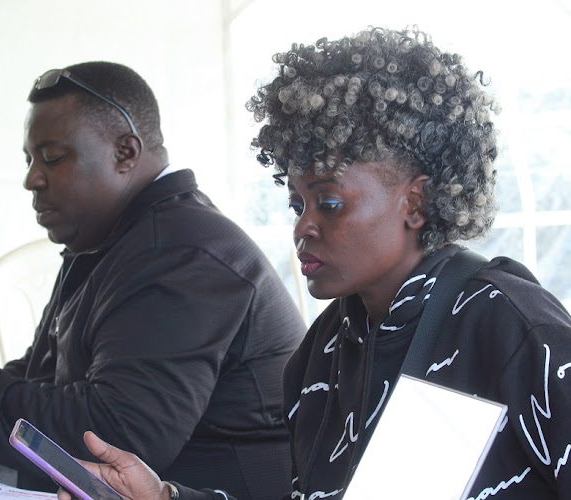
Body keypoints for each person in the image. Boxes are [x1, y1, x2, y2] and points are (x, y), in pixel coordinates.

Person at [57, 27, 571, 499]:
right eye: (296, 204)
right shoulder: (322, 349)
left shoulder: (511, 327)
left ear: (415, 202)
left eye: (328, 202)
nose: (303, 226)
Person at [0, 61, 307, 497]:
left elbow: (118, 436)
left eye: (51, 158)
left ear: (124, 152)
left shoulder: (182, 251)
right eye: (29, 159)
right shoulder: (111, 242)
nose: (31, 179)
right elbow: (41, 376)